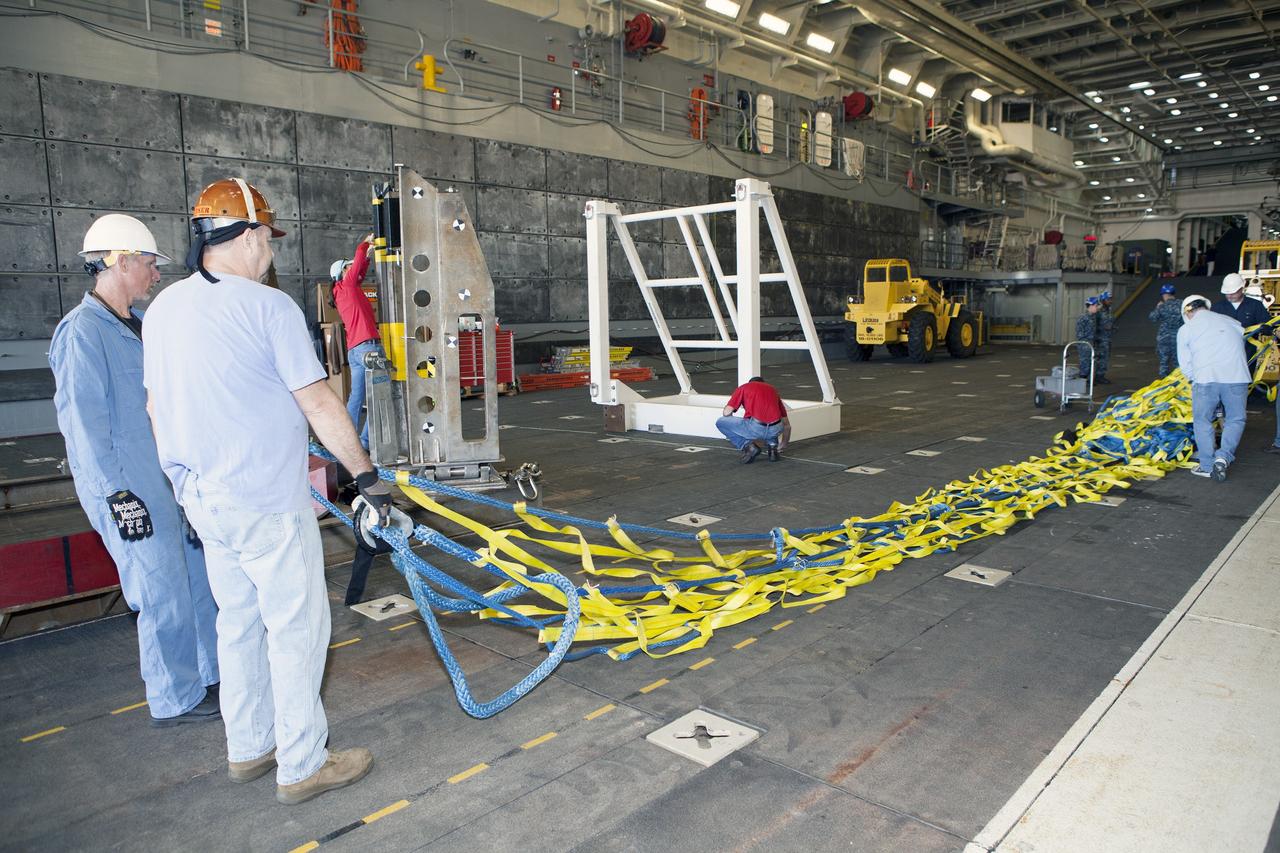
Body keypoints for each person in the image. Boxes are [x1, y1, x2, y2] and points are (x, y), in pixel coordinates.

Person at [143, 178, 394, 805]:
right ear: (250, 235)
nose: (270, 253)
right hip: (264, 502)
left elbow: (156, 408)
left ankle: (250, 747)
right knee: (297, 629)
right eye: (268, 239)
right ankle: (303, 763)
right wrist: (366, 478)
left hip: (203, 499)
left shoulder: (165, 309)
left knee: (239, 623)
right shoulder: (267, 307)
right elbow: (318, 402)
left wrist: (183, 488)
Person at [48, 214, 220, 727]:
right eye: (148, 264)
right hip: (131, 490)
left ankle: (209, 673)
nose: (154, 275)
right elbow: (82, 426)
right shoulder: (82, 333)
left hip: (168, 484)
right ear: (119, 262)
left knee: (196, 582)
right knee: (160, 592)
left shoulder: (139, 329)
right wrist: (115, 495)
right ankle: (175, 697)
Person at [1176, 295, 1249, 482]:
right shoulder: (1232, 322)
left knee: (1202, 421)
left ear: (1188, 312)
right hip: (1237, 377)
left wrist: (1195, 379)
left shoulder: (1187, 328)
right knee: (1235, 419)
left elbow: (1185, 365)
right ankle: (1223, 457)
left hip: (1206, 378)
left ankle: (1207, 465)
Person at [329, 236, 383, 450]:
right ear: (342, 272)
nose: (353, 269)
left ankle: (348, 442)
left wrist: (367, 256)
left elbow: (359, 270)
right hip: (368, 347)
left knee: (356, 398)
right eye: (348, 267)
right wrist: (364, 244)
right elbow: (358, 265)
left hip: (356, 350)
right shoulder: (347, 286)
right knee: (381, 396)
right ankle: (365, 442)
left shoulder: (343, 291)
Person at [716, 376, 789, 463]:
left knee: (720, 422)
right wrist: (783, 444)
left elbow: (727, 412)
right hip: (776, 428)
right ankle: (773, 448)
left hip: (757, 427)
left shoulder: (744, 387)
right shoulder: (773, 390)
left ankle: (748, 446)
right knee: (772, 421)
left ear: (750, 383)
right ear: (764, 383)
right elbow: (787, 425)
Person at [1213, 272, 1270, 365]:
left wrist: (1264, 329)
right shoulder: (1217, 308)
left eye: (1233, 292)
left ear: (1242, 288)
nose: (1229, 296)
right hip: (1223, 356)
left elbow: (1268, 327)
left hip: (1247, 355)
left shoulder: (1255, 305)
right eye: (1227, 293)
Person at [1148, 283, 1183, 378]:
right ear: (1173, 293)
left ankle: (1164, 384)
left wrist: (1158, 307)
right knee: (1179, 362)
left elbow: (1152, 318)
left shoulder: (1162, 306)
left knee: (1164, 362)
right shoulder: (1182, 304)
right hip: (1178, 337)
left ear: (1163, 295)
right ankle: (1179, 383)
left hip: (1164, 338)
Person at [1075, 297, 1100, 381]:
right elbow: (1079, 333)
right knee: (1085, 363)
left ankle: (1089, 380)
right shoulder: (1083, 317)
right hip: (1085, 344)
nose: (1097, 308)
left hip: (1091, 343)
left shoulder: (1093, 317)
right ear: (1091, 306)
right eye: (1096, 306)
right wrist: (1085, 343)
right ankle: (1082, 381)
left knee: (1092, 362)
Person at [1093, 290, 1114, 385]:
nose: (1110, 301)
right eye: (1108, 299)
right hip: (1100, 339)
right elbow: (1093, 324)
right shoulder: (1099, 311)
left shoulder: (1108, 311)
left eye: (1110, 299)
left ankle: (1100, 375)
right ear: (1102, 300)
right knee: (1100, 358)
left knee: (1105, 358)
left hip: (1107, 338)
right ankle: (1098, 377)